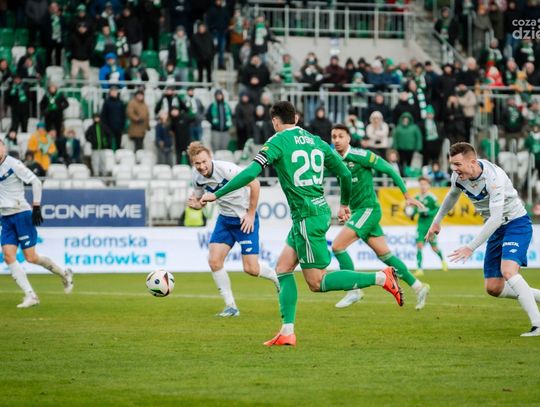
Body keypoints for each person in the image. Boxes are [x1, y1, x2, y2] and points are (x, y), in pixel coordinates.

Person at [200, 101, 404, 346]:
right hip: (312, 213)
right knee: (283, 269)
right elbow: (345, 173)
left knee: (317, 282)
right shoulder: (316, 140)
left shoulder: (276, 141)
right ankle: (287, 331)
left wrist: (217, 194)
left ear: (275, 121)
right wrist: (343, 204)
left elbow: (251, 173)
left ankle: (381, 277)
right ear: (296, 119)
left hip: (307, 216)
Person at [425, 142, 540, 337]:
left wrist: (470, 247)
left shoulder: (494, 178)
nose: (454, 169)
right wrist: (436, 221)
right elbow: (452, 195)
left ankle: (537, 324)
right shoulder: (458, 177)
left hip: (515, 223)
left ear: (472, 162)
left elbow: (496, 219)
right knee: (494, 288)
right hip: (495, 229)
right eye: (452, 164)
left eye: (458, 164)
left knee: (508, 271)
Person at [329, 125, 429, 310]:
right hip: (359, 211)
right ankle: (418, 287)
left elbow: (389, 169)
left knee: (337, 246)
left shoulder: (361, 155)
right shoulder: (335, 159)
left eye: (340, 136)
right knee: (386, 256)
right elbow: (345, 184)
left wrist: (407, 195)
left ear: (348, 138)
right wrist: (345, 206)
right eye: (334, 136)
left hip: (369, 210)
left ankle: (353, 290)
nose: (336, 140)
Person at [187, 141, 279, 316]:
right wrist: (196, 206)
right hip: (225, 220)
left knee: (251, 269)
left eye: (204, 161)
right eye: (197, 163)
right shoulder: (196, 177)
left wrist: (250, 214)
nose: (201, 166)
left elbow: (255, 184)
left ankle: (276, 277)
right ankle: (231, 307)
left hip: (244, 219)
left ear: (210, 157)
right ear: (193, 163)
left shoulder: (226, 169)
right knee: (214, 261)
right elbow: (201, 201)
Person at [0, 139, 73, 308]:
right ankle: (31, 295)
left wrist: (36, 206)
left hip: (21, 214)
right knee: (8, 256)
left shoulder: (13, 164)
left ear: (3, 148)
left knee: (31, 257)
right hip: (5, 218)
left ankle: (64, 274)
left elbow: (36, 181)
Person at [409, 177, 447, 277]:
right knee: (419, 246)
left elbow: (438, 210)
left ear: (428, 186)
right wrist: (411, 213)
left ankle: (443, 261)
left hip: (430, 227)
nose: (423, 186)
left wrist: (428, 212)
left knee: (434, 248)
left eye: (425, 184)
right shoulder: (417, 198)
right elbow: (415, 210)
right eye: (421, 184)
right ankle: (419, 269)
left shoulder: (432, 198)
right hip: (421, 227)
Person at [100, 86, 125, 150]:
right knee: (109, 144)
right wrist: (105, 126)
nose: (114, 93)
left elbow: (123, 115)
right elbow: (103, 115)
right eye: (112, 91)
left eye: (115, 91)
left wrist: (122, 126)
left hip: (118, 127)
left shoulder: (120, 103)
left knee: (118, 144)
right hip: (109, 127)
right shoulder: (106, 102)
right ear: (110, 93)